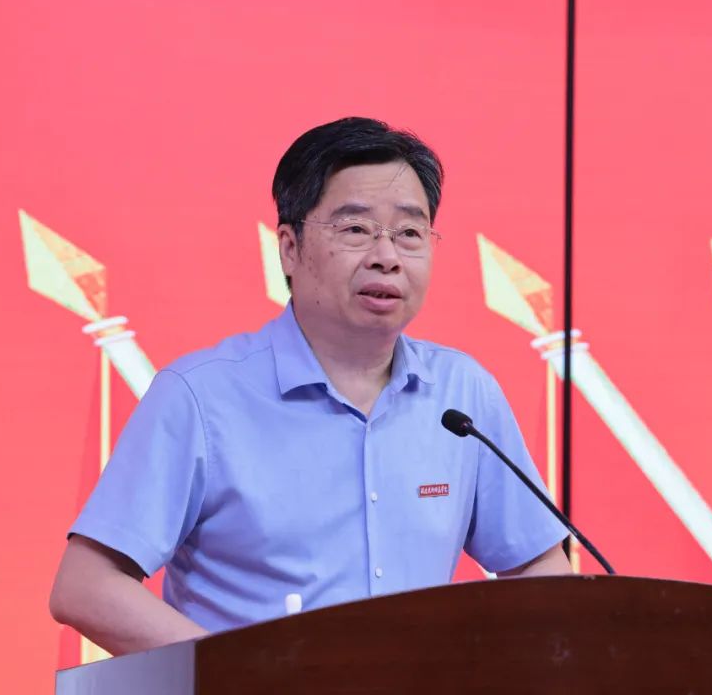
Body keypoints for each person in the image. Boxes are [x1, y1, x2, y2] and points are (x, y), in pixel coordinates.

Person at [49, 117, 572, 656]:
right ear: (289, 248)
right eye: (356, 230)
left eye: (410, 234)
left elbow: (537, 565)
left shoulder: (462, 394)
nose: (387, 257)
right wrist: (240, 676)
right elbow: (86, 586)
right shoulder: (201, 397)